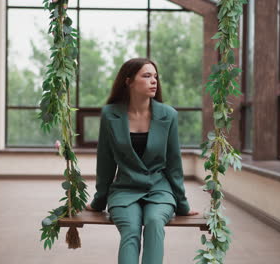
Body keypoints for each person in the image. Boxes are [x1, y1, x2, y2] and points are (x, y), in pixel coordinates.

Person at [84, 58, 198, 264]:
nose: (154, 81)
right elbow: (106, 163)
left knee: (154, 222)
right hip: (124, 190)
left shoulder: (168, 115)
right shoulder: (110, 115)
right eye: (146, 76)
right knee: (131, 228)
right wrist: (99, 201)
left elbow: (174, 164)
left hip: (159, 189)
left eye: (155, 76)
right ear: (128, 81)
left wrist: (182, 205)